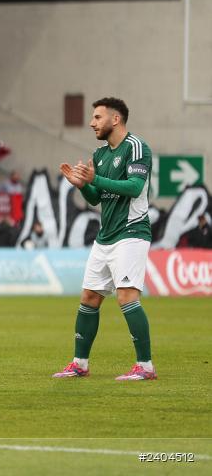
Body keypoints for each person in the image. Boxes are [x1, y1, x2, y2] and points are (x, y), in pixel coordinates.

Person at [55, 97, 156, 381]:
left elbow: (135, 188)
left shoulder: (136, 147)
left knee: (126, 296)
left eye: (97, 117)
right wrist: (82, 185)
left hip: (131, 232)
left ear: (116, 119)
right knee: (89, 297)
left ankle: (146, 366)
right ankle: (79, 363)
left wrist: (95, 180)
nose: (92, 123)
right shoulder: (99, 154)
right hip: (106, 236)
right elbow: (96, 198)